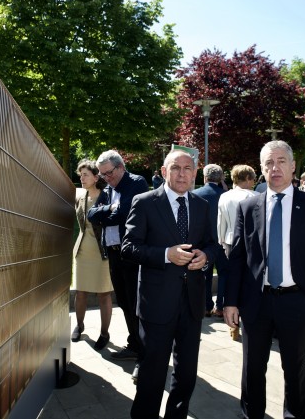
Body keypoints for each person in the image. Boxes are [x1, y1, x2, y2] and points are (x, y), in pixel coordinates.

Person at [224, 140, 305, 419]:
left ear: (293, 166)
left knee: (295, 371)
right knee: (252, 369)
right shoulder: (248, 207)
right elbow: (236, 258)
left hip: (297, 301)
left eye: (282, 161)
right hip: (256, 302)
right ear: (261, 169)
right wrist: (230, 302)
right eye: (269, 163)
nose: (275, 168)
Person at [122, 149, 217, 419]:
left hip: (192, 304)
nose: (182, 173)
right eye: (176, 167)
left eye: (188, 168)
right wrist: (166, 255)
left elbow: (211, 243)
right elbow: (129, 248)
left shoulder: (201, 205)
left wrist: (206, 256)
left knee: (186, 375)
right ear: (164, 171)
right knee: (152, 375)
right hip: (157, 305)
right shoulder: (145, 202)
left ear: (195, 174)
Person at [87, 150, 149, 379]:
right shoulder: (109, 188)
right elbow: (92, 214)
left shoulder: (136, 182)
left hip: (131, 255)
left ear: (121, 167)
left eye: (109, 173)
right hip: (114, 254)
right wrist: (108, 210)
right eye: (102, 175)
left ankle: (145, 353)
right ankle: (134, 344)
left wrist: (109, 212)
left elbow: (125, 214)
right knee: (123, 301)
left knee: (136, 303)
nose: (105, 178)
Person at [71, 160, 114, 350]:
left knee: (104, 294)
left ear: (96, 177)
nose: (81, 178)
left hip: (102, 252)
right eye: (81, 175)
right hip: (82, 251)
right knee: (81, 293)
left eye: (85, 174)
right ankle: (79, 326)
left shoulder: (107, 197)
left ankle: (105, 333)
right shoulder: (81, 197)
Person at [217, 164, 260, 341]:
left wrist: (221, 241)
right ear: (248, 178)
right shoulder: (256, 196)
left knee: (230, 279)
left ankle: (233, 325)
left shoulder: (224, 196)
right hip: (252, 244)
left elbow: (221, 223)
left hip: (228, 242)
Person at [192, 164, 228, 318]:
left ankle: (206, 307)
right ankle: (220, 307)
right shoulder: (226, 195)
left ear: (205, 177)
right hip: (222, 241)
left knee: (204, 275)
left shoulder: (195, 194)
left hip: (203, 244)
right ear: (220, 178)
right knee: (223, 275)